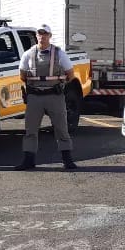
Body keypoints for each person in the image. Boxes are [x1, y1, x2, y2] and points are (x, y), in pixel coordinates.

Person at [16, 24, 77, 171]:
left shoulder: (59, 54)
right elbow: (22, 75)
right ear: (36, 36)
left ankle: (67, 160)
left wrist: (59, 85)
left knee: (61, 128)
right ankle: (28, 160)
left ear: (50, 36)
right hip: (34, 96)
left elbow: (71, 74)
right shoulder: (28, 54)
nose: (42, 37)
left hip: (54, 96)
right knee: (30, 130)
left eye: (45, 34)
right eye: (39, 34)